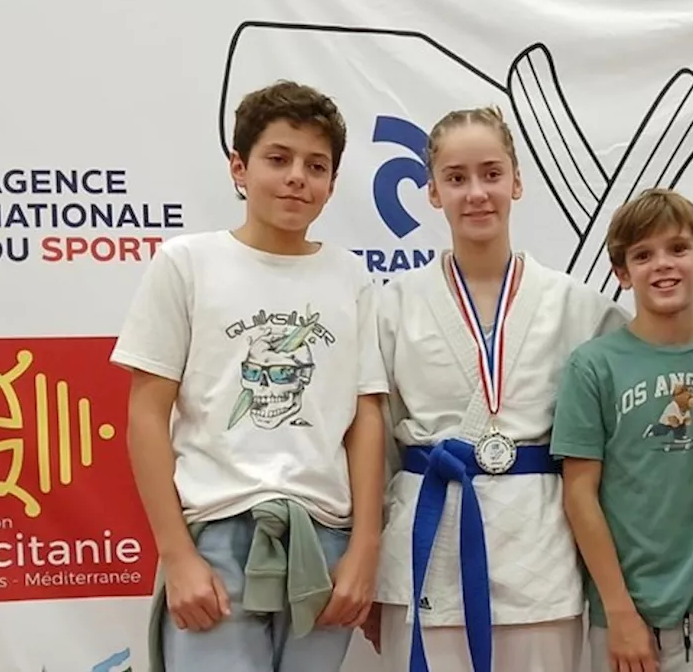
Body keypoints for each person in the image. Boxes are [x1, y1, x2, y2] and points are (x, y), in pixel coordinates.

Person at [110, 80, 386, 672]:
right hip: (217, 535)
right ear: (239, 167)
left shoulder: (352, 277)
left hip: (324, 538)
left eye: (316, 166)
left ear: (332, 185)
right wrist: (177, 555)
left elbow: (366, 417)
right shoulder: (186, 263)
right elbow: (146, 413)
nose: (296, 178)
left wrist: (365, 547)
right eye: (278, 159)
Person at [366, 106, 630, 672]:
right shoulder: (391, 304)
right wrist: (366, 558)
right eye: (456, 178)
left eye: (491, 173)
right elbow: (372, 444)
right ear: (433, 192)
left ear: (517, 180)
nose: (476, 193)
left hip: (539, 551)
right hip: (426, 543)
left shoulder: (578, 306)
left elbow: (643, 397)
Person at [550, 188, 693, 672]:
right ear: (622, 273)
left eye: (677, 248)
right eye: (643, 254)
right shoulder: (593, 366)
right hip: (625, 613)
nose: (662, 264)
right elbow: (579, 494)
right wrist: (618, 610)